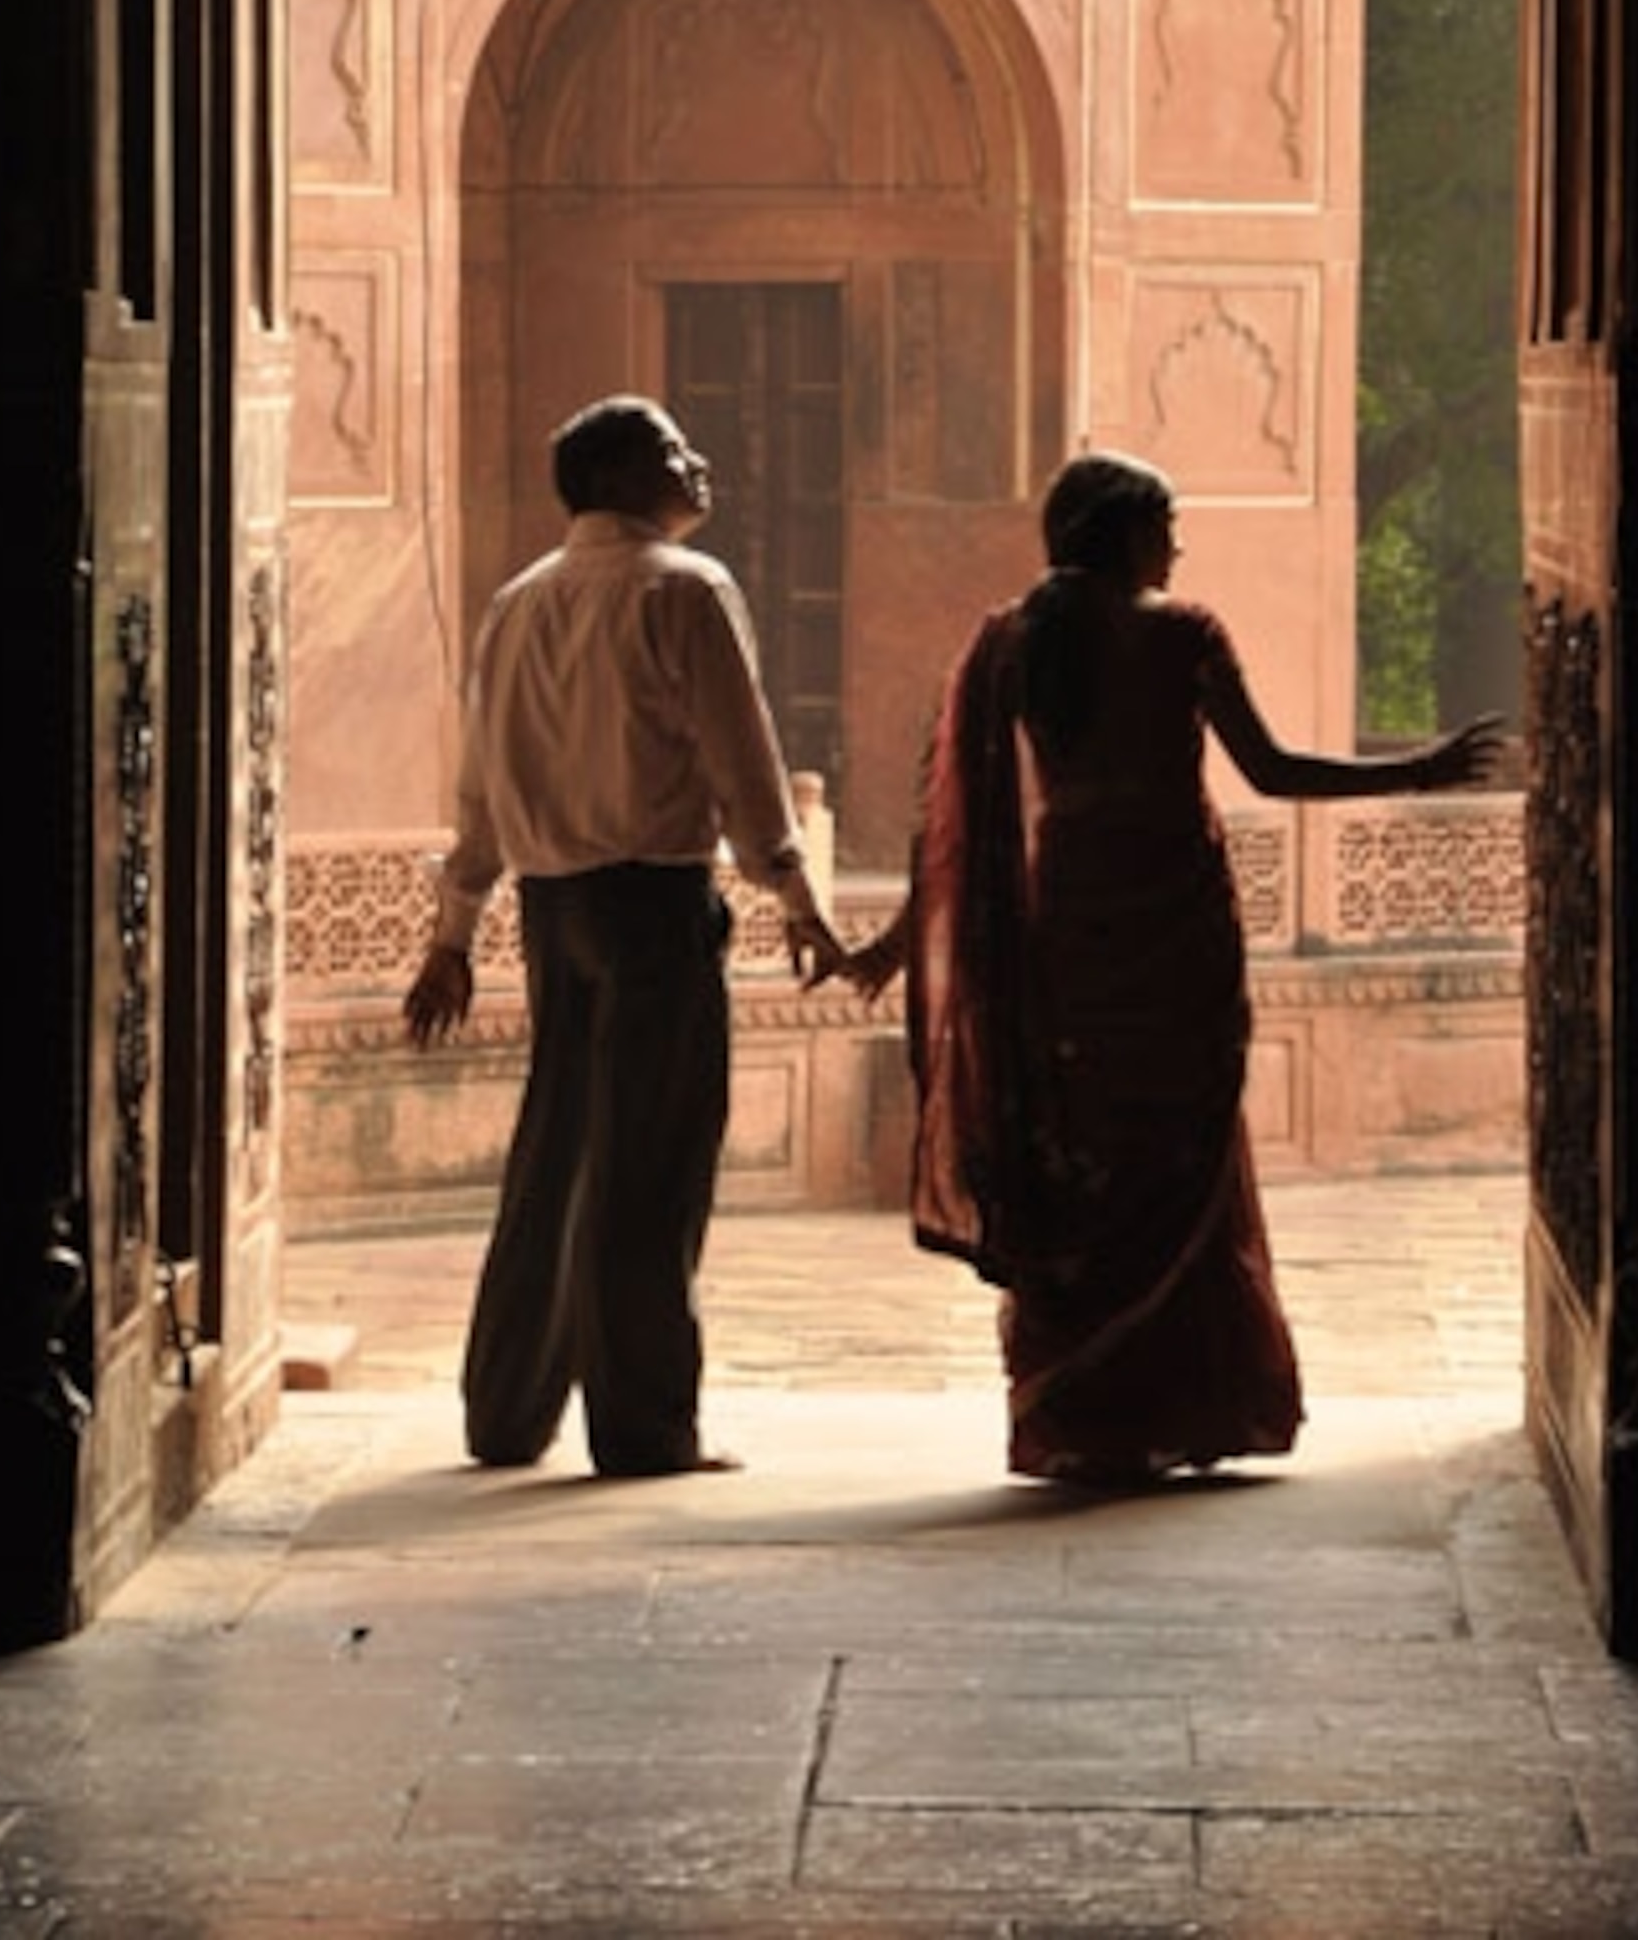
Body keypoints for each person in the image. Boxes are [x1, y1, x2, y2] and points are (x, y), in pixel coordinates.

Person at [848, 450, 1504, 1488]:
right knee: (1179, 1147)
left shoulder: (1010, 644)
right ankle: (1186, 1401)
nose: (1178, 545)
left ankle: (1087, 1407)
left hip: (1071, 924)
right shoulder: (1180, 635)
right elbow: (1274, 769)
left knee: (1087, 1144)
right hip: (1173, 925)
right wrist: (1419, 769)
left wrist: (899, 940)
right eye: (1167, 525)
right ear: (1125, 534)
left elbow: (957, 827)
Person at [403, 394, 847, 1478]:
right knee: (649, 1167)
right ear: (618, 478)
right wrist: (794, 895)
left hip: (554, 913)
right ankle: (645, 1430)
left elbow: (481, 789)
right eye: (673, 451)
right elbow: (741, 758)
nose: (700, 463)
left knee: (557, 1153)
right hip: (652, 901)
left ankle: (505, 1414)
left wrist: (453, 933)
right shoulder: (686, 589)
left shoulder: (518, 603)